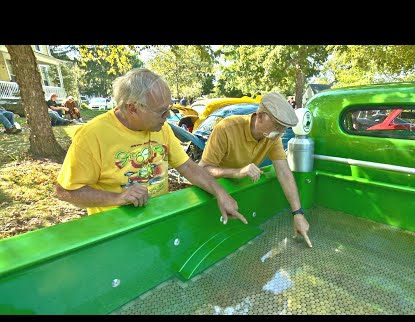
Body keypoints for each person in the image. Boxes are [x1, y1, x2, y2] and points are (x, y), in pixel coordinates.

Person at [55, 68, 247, 226]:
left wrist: (221, 193)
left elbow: (188, 167)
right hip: (115, 229)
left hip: (157, 220)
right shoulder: (92, 135)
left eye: (168, 109)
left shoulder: (161, 128)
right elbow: (65, 191)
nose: (167, 117)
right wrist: (118, 198)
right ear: (132, 108)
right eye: (161, 112)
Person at [198, 92, 312, 248]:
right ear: (260, 116)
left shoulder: (272, 137)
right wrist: (237, 172)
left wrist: (298, 213)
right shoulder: (226, 128)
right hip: (212, 196)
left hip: (239, 196)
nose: (280, 133)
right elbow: (202, 170)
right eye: (277, 127)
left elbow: (284, 172)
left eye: (283, 129)